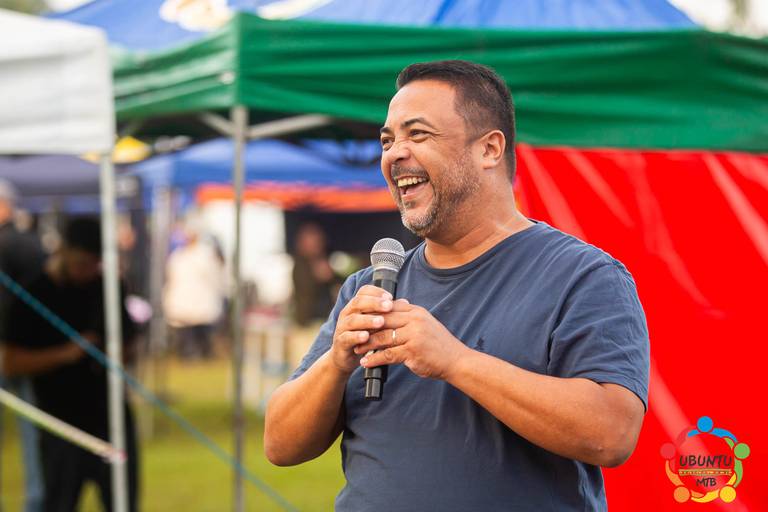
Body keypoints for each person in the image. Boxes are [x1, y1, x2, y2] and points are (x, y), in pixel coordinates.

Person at [264, 60, 649, 511]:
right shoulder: (369, 289)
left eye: (418, 134)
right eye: (387, 140)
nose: (394, 154)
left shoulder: (582, 276)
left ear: (489, 149)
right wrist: (335, 362)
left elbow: (611, 434)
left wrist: (455, 361)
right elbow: (280, 445)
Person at [1, 217, 139, 512]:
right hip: (60, 422)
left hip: (109, 416)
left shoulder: (109, 288)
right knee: (57, 502)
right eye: (81, 263)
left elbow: (129, 344)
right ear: (63, 250)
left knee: (123, 501)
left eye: (94, 264)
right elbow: (10, 363)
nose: (87, 271)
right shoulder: (32, 293)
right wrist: (67, 353)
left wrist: (113, 352)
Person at [0, 178, 46, 512]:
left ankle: (37, 500)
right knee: (34, 431)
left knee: (34, 430)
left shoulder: (12, 244)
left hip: (18, 351)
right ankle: (37, 500)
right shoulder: (31, 242)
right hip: (28, 349)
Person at [162, 216, 225, 360]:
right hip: (185, 301)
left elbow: (214, 275)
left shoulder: (204, 254)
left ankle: (202, 353)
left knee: (200, 332)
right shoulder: (179, 256)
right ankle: (189, 353)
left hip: (199, 301)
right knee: (187, 333)